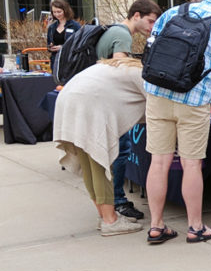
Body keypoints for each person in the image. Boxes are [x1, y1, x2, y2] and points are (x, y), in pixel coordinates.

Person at [143, 0, 211, 245]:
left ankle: (156, 226)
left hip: (157, 93)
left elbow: (150, 49)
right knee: (192, 164)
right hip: (193, 99)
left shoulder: (174, 12)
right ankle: (196, 227)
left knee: (158, 162)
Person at [53, 58, 148, 236]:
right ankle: (110, 221)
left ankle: (104, 215)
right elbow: (155, 107)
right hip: (86, 104)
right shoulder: (142, 74)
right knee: (99, 162)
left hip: (69, 99)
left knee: (88, 163)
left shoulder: (121, 65)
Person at [93, 0, 163, 222]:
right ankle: (119, 201)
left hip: (102, 99)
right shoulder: (122, 35)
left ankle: (112, 200)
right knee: (121, 151)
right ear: (136, 16)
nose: (151, 27)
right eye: (150, 21)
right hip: (112, 102)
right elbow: (120, 69)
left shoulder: (114, 31)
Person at [46, 0, 82, 66]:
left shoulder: (75, 26)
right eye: (54, 12)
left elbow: (80, 44)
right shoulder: (51, 27)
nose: (57, 14)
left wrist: (63, 48)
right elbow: (48, 44)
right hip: (56, 61)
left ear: (65, 11)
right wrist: (50, 47)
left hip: (70, 61)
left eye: (59, 12)